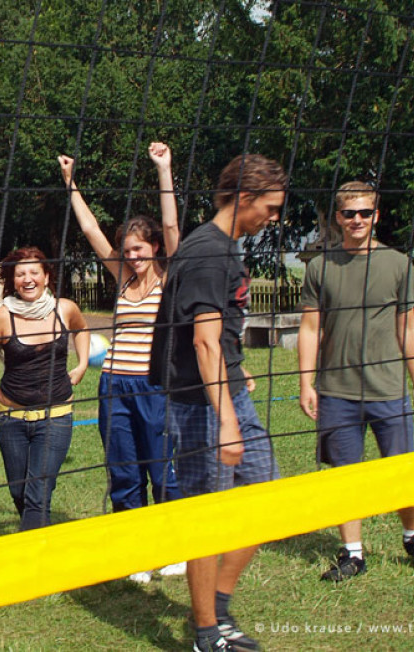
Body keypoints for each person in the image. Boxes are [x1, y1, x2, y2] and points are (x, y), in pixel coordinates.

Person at [150, 154, 287, 652]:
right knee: (207, 516)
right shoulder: (209, 252)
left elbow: (217, 338)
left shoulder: (222, 248)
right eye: (269, 208)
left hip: (224, 391)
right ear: (245, 197)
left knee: (267, 499)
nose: (272, 219)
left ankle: (218, 609)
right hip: (201, 406)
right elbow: (203, 342)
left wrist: (235, 365)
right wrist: (226, 421)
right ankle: (206, 635)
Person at [297, 181, 414, 581]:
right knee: (347, 475)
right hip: (336, 390)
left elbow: (407, 325)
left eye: (365, 213)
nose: (357, 220)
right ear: (336, 218)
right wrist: (307, 384)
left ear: (376, 216)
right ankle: (352, 554)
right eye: (349, 213)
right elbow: (310, 329)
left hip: (387, 387)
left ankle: (413, 537)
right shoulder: (319, 267)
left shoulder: (397, 263)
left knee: (402, 472)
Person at [59, 142, 186, 582]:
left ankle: (173, 549)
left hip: (155, 389)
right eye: (126, 250)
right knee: (124, 473)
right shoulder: (121, 279)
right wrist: (71, 184)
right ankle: (135, 554)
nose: (132, 256)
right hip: (114, 386)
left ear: (153, 248)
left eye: (139, 248)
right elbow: (92, 229)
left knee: (161, 471)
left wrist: (163, 170)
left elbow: (171, 224)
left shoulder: (170, 279)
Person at [0, 246, 89, 531]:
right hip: (11, 421)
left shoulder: (65, 309)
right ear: (13, 280)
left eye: (34, 272)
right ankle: (39, 540)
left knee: (37, 497)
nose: (28, 278)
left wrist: (82, 364)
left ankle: (35, 567)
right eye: (20, 274)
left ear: (47, 276)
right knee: (20, 494)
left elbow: (82, 330)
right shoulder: (1, 316)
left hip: (55, 419)